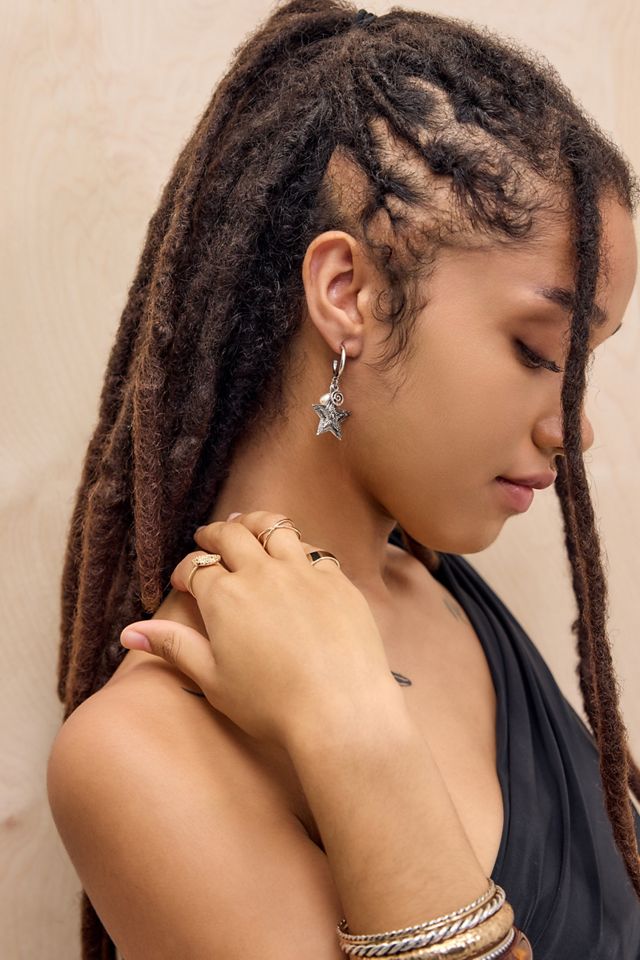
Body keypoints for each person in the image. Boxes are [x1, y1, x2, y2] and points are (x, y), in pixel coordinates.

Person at [46, 2, 640, 958]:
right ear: (348, 294)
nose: (572, 425)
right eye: (540, 351)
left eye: (580, 368)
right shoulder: (140, 754)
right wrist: (349, 729)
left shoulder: (440, 592)